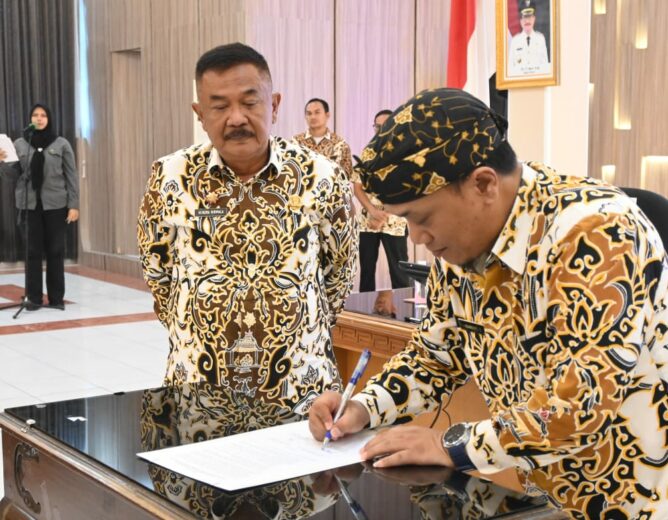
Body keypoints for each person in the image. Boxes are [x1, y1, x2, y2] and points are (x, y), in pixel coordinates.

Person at [309, 88, 668, 517]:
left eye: (422, 218)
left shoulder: (596, 233)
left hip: (632, 499)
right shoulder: (463, 247)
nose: (417, 238)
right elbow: (436, 357)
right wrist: (363, 407)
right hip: (539, 495)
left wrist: (451, 444)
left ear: (483, 183)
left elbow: (579, 409)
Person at [137, 43, 358, 413]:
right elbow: (157, 271)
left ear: (274, 105)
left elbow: (340, 273)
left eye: (250, 102)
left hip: (302, 394)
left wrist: (296, 332)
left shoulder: (322, 176)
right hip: (199, 394)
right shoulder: (170, 176)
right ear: (200, 114)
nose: (236, 118)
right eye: (219, 106)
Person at [0, 103, 79, 310]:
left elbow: (71, 176)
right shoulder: (19, 144)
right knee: (32, 252)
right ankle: (34, 298)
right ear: (30, 119)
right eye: (35, 115)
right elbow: (12, 176)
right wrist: (2, 162)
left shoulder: (61, 144)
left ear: (49, 118)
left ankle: (56, 299)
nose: (39, 118)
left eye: (43, 115)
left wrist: (74, 205)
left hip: (56, 205)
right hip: (29, 206)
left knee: (55, 251)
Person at [353, 110, 410, 303]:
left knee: (399, 271)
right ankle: (363, 312)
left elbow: (406, 188)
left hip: (395, 220)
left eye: (385, 125)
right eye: (377, 126)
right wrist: (373, 211)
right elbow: (357, 187)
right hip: (368, 220)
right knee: (366, 270)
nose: (380, 130)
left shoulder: (405, 152)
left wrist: (382, 214)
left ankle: (404, 310)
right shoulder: (367, 153)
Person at [293, 98, 353, 179]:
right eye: (309, 113)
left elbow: (347, 176)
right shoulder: (296, 142)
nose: (313, 117)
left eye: (317, 112)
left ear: (327, 115)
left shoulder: (340, 144)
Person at [508, 0, 549, 76]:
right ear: (520, 21)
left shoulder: (540, 39)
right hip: (519, 81)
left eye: (529, 17)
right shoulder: (515, 41)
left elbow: (545, 67)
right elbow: (510, 68)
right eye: (524, 17)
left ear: (534, 19)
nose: (527, 21)